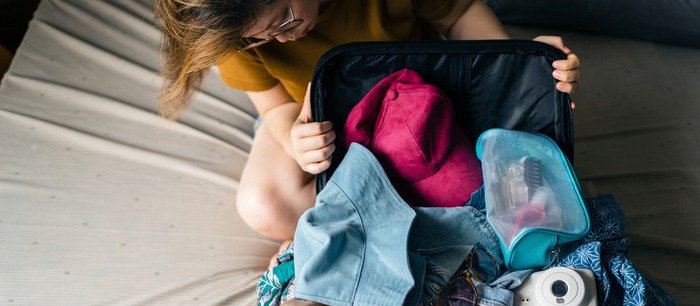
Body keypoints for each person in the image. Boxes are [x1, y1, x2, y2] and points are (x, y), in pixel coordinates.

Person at [155, 0, 581, 245]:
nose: (282, 38)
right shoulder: (232, 31)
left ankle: (366, 222)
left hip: (424, 97)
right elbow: (275, 106)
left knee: (521, 169)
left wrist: (517, 61)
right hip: (319, 115)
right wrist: (293, 137)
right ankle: (414, 214)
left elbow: (458, 12)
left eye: (284, 19)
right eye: (261, 38)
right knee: (263, 206)